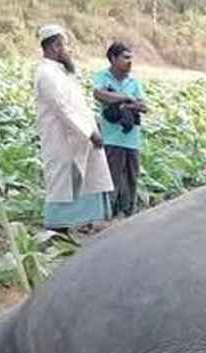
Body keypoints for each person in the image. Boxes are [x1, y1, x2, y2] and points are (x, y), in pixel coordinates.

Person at [34, 25, 113, 235]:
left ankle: (80, 223)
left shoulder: (60, 72)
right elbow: (63, 108)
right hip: (63, 138)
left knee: (82, 181)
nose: (69, 49)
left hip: (76, 136)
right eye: (65, 45)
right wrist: (89, 131)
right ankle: (56, 228)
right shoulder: (46, 74)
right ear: (55, 46)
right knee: (63, 185)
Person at [92, 42, 146, 218]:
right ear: (113, 59)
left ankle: (128, 214)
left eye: (131, 58)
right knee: (111, 178)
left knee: (131, 178)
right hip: (111, 138)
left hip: (131, 139)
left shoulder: (134, 81)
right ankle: (108, 215)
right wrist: (126, 98)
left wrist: (121, 104)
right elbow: (99, 94)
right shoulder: (102, 76)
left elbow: (143, 106)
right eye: (125, 57)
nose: (130, 62)